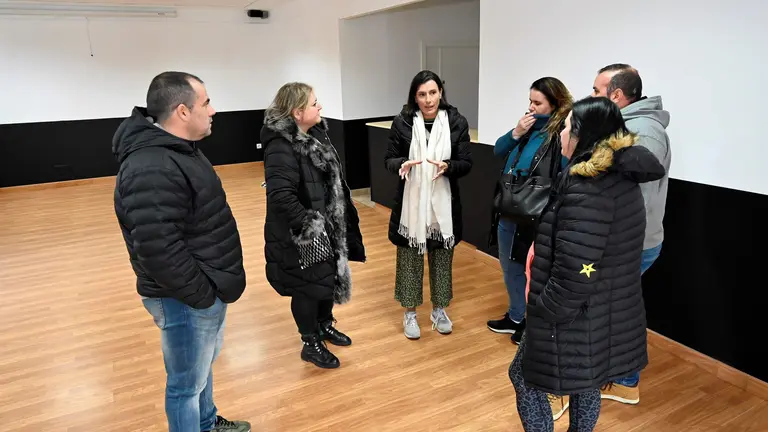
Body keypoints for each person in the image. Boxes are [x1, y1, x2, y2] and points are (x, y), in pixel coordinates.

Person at [508, 97, 665, 432]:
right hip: (600, 313)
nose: (561, 135)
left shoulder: (587, 189)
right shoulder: (622, 179)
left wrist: (545, 310)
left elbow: (577, 268)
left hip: (572, 316)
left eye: (566, 129)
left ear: (584, 135)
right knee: (586, 382)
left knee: (522, 376)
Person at [113, 71, 250, 432]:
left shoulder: (179, 152)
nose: (213, 110)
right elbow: (158, 248)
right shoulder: (153, 165)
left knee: (199, 372)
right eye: (206, 102)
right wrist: (201, 296)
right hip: (185, 297)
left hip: (202, 289)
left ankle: (206, 423)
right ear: (183, 111)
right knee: (185, 386)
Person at [262, 82, 366, 369]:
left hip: (327, 226)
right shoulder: (280, 146)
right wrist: (311, 228)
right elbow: (281, 195)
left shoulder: (316, 134)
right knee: (306, 288)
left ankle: (324, 324)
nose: (320, 107)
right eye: (314, 103)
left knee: (325, 279)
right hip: (303, 234)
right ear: (297, 112)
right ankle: (310, 342)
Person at [592, 63, 672, 404]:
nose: (592, 96)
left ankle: (625, 381)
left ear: (616, 95)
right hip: (623, 241)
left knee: (616, 311)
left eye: (596, 91)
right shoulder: (625, 126)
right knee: (613, 308)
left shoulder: (644, 131)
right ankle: (618, 375)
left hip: (629, 244)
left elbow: (634, 182)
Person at [384, 70, 473, 339]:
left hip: (443, 204)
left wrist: (448, 166)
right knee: (410, 258)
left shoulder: (456, 122)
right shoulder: (402, 122)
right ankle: (410, 313)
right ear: (415, 96)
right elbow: (389, 159)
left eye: (432, 93)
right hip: (411, 206)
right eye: (422, 94)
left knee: (442, 258)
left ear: (441, 93)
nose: (428, 99)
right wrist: (402, 164)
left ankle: (439, 310)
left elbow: (466, 162)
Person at [487, 77, 573, 346]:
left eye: (538, 103)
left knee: (534, 271)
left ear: (555, 104)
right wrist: (516, 132)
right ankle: (516, 316)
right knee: (509, 265)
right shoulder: (528, 126)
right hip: (511, 208)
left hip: (539, 213)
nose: (532, 107)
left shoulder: (562, 133)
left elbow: (565, 172)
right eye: (530, 101)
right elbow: (499, 150)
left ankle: (532, 323)